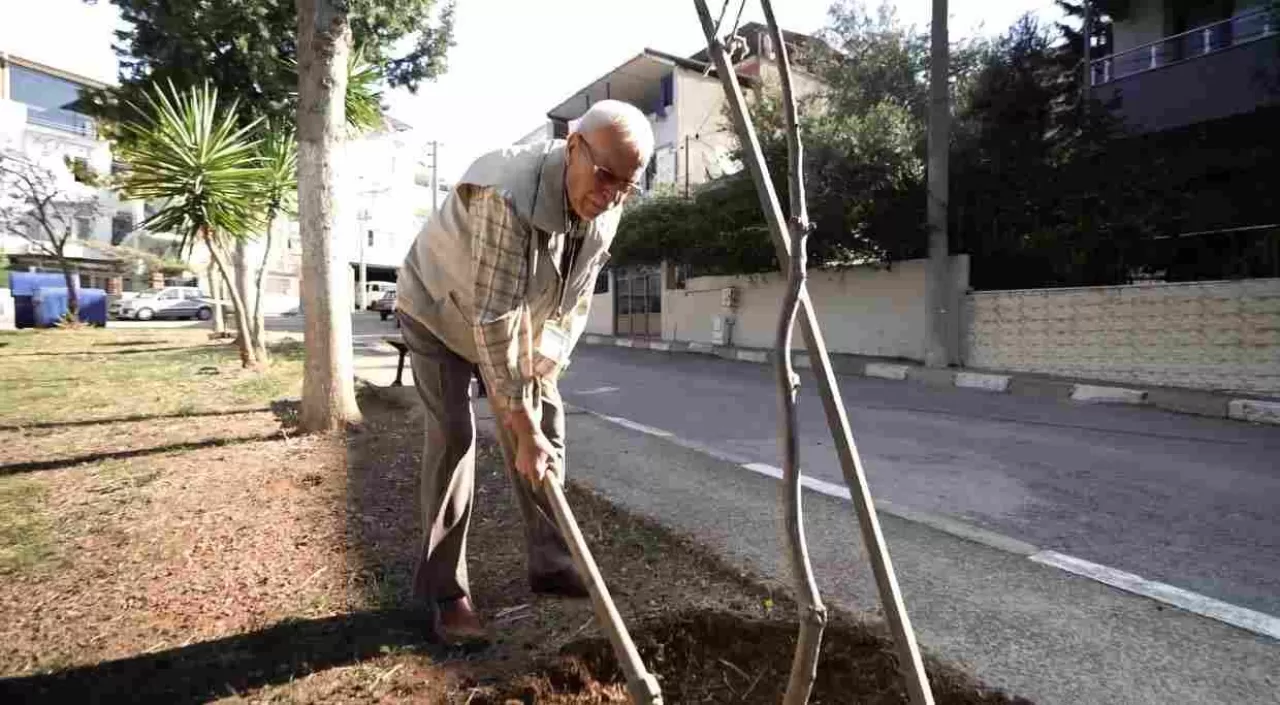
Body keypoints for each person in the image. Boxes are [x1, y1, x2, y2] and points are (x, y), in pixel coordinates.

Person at [395, 100, 654, 644]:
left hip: (509, 319)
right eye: (605, 176)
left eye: (625, 186)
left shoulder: (608, 202)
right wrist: (518, 420)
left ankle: (551, 562)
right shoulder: (505, 192)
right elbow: (495, 315)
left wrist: (542, 376)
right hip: (439, 310)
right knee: (455, 437)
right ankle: (446, 594)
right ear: (574, 147)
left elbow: (572, 303)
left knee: (547, 427)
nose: (610, 195)